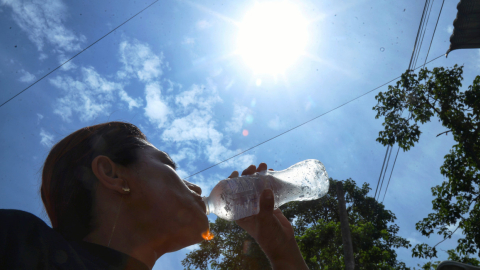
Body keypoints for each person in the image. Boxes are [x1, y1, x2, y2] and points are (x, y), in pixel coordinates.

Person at [0, 122, 309, 270]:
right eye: (169, 164)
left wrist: (282, 252)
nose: (197, 189)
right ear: (113, 175)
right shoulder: (21, 243)